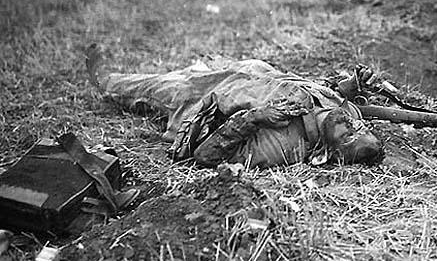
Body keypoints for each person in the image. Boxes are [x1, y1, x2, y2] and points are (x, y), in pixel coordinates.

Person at [86, 45, 383, 169]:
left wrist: (256, 117)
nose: (352, 124)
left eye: (347, 136)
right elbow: (330, 95)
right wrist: (349, 87)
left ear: (326, 153)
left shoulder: (281, 145)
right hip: (250, 76)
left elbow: (206, 156)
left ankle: (107, 81)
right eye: (360, 127)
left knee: (159, 86)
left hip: (205, 99)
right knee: (251, 64)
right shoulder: (345, 113)